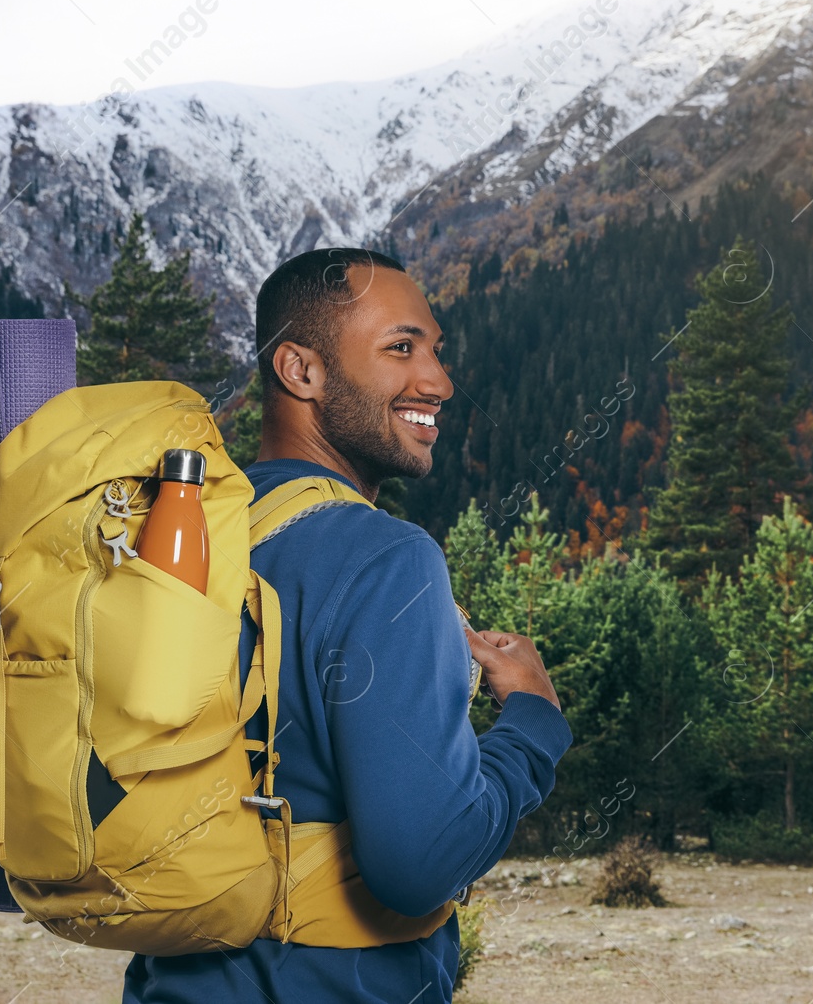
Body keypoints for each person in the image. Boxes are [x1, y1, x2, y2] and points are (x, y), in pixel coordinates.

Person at [123, 247, 570, 1003]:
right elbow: (420, 865)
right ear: (301, 371)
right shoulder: (388, 558)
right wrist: (531, 723)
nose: (439, 381)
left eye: (435, 350)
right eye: (402, 348)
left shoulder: (183, 541)